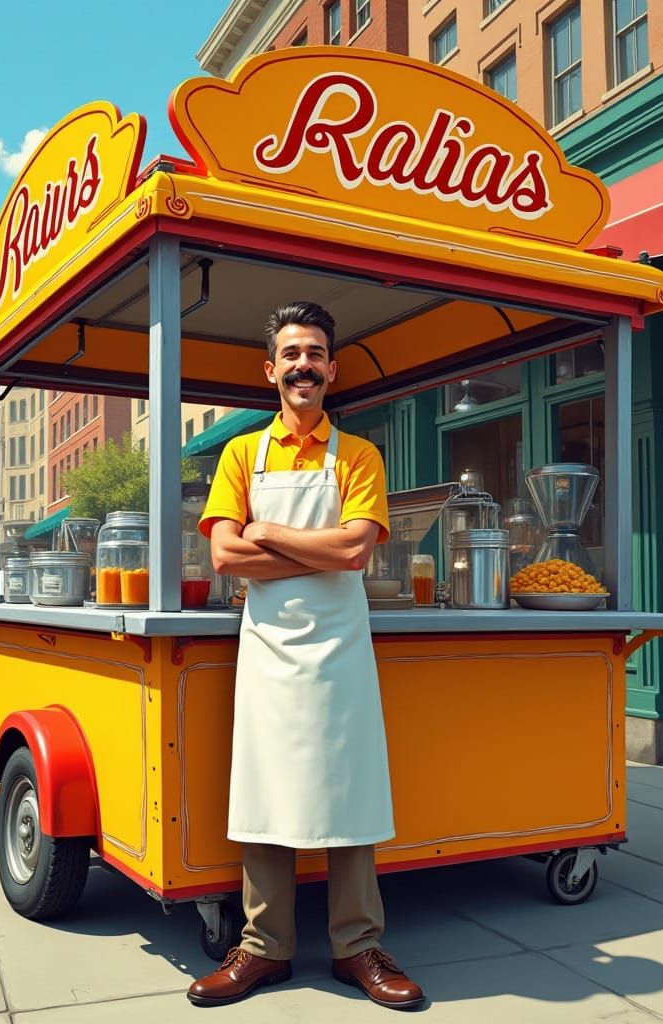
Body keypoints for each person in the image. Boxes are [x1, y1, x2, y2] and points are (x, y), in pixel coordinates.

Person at [188, 302, 423, 1010]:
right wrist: (311, 552)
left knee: (349, 789)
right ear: (271, 369)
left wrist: (266, 530)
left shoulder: (358, 455)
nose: (303, 366)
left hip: (340, 650)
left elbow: (356, 549)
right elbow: (225, 554)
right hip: (267, 650)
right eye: (291, 354)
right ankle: (264, 947)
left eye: (315, 354)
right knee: (265, 790)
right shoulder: (240, 454)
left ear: (331, 368)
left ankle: (358, 946)